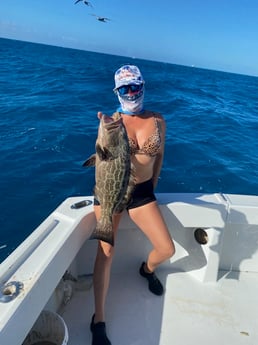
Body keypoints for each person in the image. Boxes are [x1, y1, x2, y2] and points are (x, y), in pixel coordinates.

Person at [90, 65, 175, 345]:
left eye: (135, 86)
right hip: (111, 191)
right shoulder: (111, 123)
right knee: (106, 251)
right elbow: (100, 161)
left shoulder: (158, 120)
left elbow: (159, 155)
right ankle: (98, 319)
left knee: (166, 249)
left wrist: (154, 184)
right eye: (124, 88)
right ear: (116, 92)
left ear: (143, 86)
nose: (131, 92)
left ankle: (146, 269)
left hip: (141, 192)